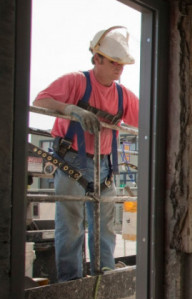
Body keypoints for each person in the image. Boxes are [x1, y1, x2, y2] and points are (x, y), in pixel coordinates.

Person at [33, 26, 139, 282]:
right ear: (97, 59)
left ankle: (104, 276)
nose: (119, 69)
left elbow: (147, 121)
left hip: (104, 167)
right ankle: (70, 282)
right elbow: (40, 101)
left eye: (122, 64)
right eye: (114, 62)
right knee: (71, 226)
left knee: (104, 228)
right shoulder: (75, 82)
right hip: (72, 161)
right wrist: (71, 109)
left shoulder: (123, 96)